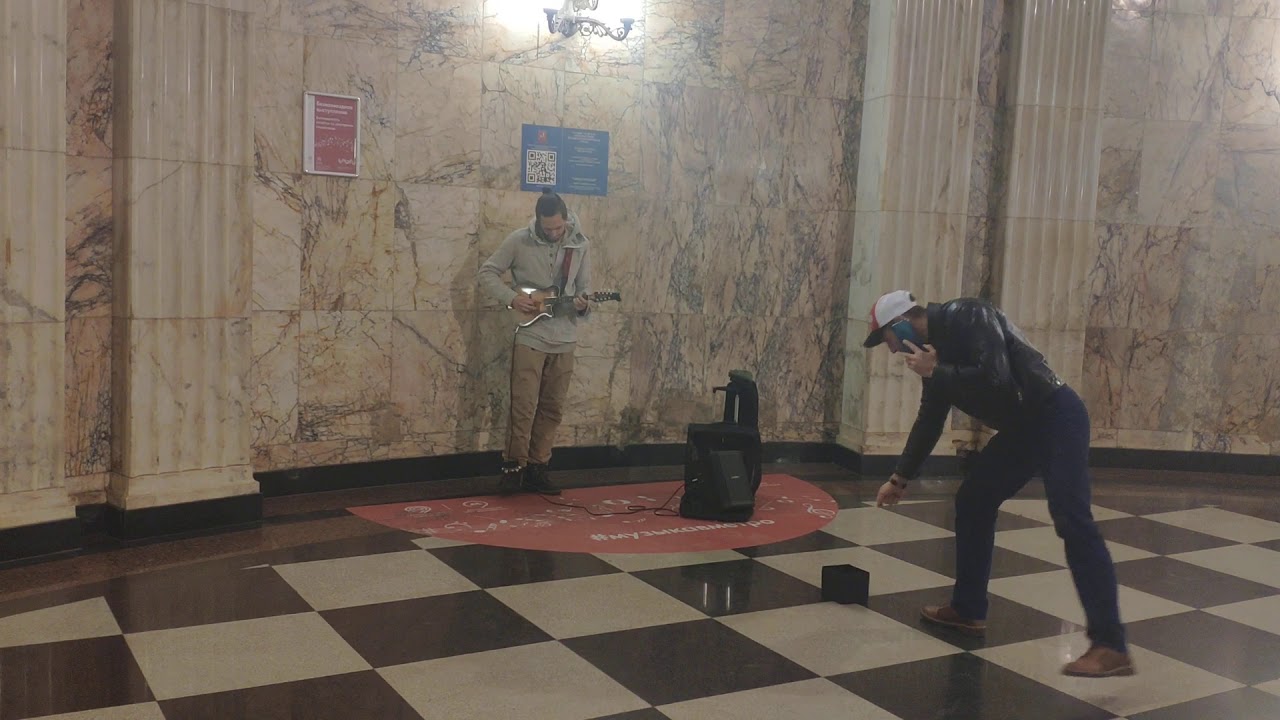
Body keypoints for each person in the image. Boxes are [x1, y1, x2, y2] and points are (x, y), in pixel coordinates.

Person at [864, 290, 1134, 678]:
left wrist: (937, 371)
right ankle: (968, 608)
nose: (891, 350)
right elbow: (930, 419)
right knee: (974, 499)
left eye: (886, 339)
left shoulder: (968, 314)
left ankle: (1111, 644)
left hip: (1056, 415)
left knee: (1071, 518)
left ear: (902, 323)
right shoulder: (935, 355)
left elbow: (997, 377)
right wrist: (899, 478)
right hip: (1024, 428)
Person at [478, 189, 592, 496]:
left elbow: (583, 289)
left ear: (566, 219)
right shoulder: (519, 240)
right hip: (530, 334)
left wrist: (584, 304)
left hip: (565, 338)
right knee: (524, 406)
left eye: (558, 227)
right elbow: (487, 272)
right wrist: (512, 298)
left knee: (553, 407)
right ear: (538, 221)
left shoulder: (580, 245)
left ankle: (539, 467)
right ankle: (514, 467)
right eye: (547, 228)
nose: (553, 232)